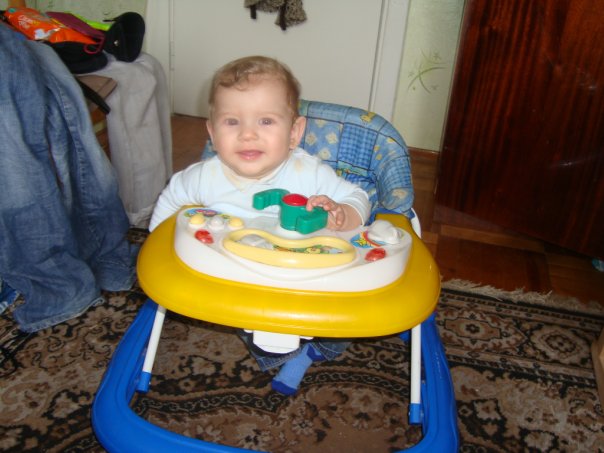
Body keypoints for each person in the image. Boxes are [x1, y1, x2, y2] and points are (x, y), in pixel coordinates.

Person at [149, 55, 370, 395]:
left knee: (345, 318)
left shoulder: (309, 173)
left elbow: (359, 198)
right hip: (240, 281)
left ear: (294, 132)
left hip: (305, 277)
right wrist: (161, 247)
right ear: (212, 132)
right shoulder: (202, 178)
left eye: (266, 121)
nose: (248, 134)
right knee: (244, 320)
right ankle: (286, 354)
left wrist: (341, 213)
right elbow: (170, 202)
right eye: (232, 121)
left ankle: (316, 348)